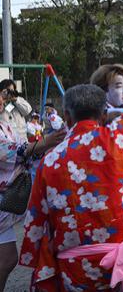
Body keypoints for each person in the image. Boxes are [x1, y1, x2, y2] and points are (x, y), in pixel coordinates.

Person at [19, 34, 123, 291]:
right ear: (103, 112)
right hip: (120, 258)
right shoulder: (118, 136)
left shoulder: (48, 161)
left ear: (66, 115)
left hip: (74, 271)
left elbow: (35, 226)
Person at [0, 101, 65, 291]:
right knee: (6, 258)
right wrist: (43, 144)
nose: (2, 100)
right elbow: (6, 152)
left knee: (7, 258)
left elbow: (20, 148)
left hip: (5, 200)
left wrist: (42, 146)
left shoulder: (4, 125)